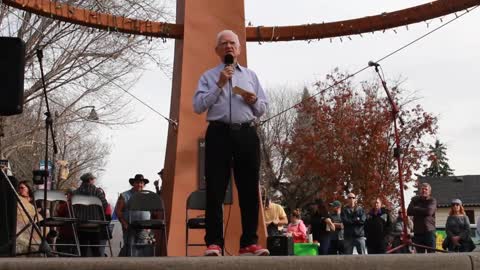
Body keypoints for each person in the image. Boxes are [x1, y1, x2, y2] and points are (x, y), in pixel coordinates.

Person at [193, 29, 269, 256]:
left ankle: (249, 243)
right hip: (218, 133)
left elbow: (263, 108)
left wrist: (254, 100)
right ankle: (214, 242)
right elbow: (198, 106)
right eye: (224, 43)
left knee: (248, 190)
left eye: (232, 43)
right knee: (215, 189)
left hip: (246, 133)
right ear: (217, 50)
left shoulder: (251, 76)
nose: (228, 46)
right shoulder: (208, 76)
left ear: (239, 49)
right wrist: (219, 84)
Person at [115, 174, 154, 257]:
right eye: (137, 183)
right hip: (129, 226)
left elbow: (152, 212)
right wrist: (124, 223)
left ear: (144, 185)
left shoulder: (147, 196)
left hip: (144, 227)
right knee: (130, 246)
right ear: (133, 184)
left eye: (141, 183)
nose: (139, 185)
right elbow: (118, 211)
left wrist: (149, 226)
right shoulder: (124, 195)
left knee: (143, 246)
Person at [73, 172, 108, 257]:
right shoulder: (97, 191)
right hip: (95, 224)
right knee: (95, 249)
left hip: (81, 224)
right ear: (90, 180)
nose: (94, 181)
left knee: (83, 249)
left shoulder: (76, 192)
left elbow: (73, 207)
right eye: (93, 179)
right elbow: (105, 204)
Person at [15, 180, 46, 255]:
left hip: (34, 223)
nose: (20, 190)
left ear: (28, 188)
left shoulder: (36, 200)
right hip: (22, 224)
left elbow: (41, 213)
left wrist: (36, 211)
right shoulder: (18, 200)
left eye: (22, 188)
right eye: (19, 188)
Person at [407, 182, 437, 253]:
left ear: (429, 192)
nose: (424, 191)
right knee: (420, 257)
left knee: (431, 255)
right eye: (422, 189)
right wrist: (423, 209)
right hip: (418, 233)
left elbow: (429, 212)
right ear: (420, 191)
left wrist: (416, 208)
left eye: (426, 189)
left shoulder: (432, 200)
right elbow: (409, 211)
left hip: (429, 232)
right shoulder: (414, 200)